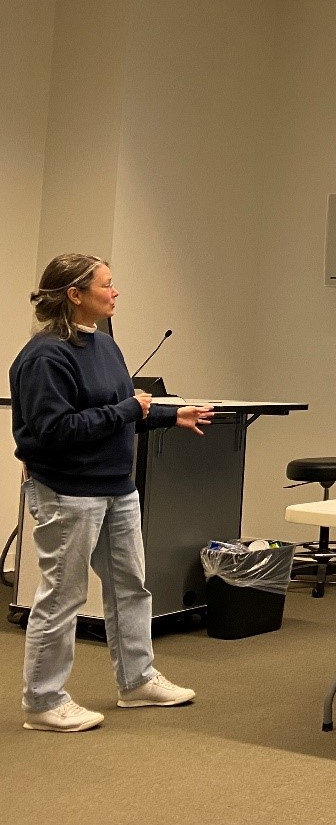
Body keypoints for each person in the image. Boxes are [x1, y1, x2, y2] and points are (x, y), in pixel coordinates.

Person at [10, 254, 214, 733]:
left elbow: (122, 405)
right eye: (106, 285)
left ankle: (137, 680)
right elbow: (57, 430)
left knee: (130, 588)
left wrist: (167, 415)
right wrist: (129, 411)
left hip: (116, 489)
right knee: (64, 595)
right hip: (68, 491)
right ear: (75, 296)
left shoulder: (104, 345)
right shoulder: (45, 358)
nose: (115, 291)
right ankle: (43, 702)